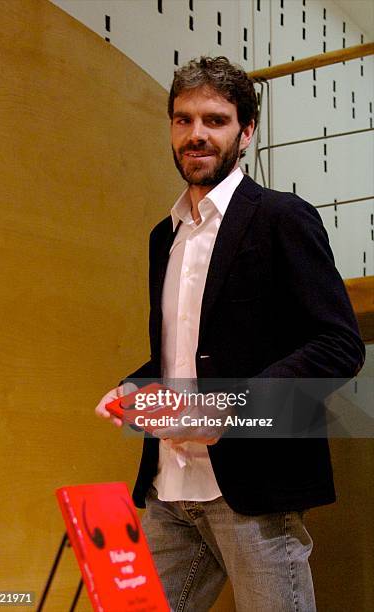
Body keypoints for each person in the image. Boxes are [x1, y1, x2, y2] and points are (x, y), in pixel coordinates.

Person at [96, 57, 365, 612]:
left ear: (245, 132)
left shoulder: (283, 217)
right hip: (168, 490)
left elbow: (338, 345)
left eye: (215, 120)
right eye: (183, 119)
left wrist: (231, 410)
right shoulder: (161, 237)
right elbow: (185, 354)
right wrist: (132, 389)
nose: (196, 134)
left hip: (254, 492)